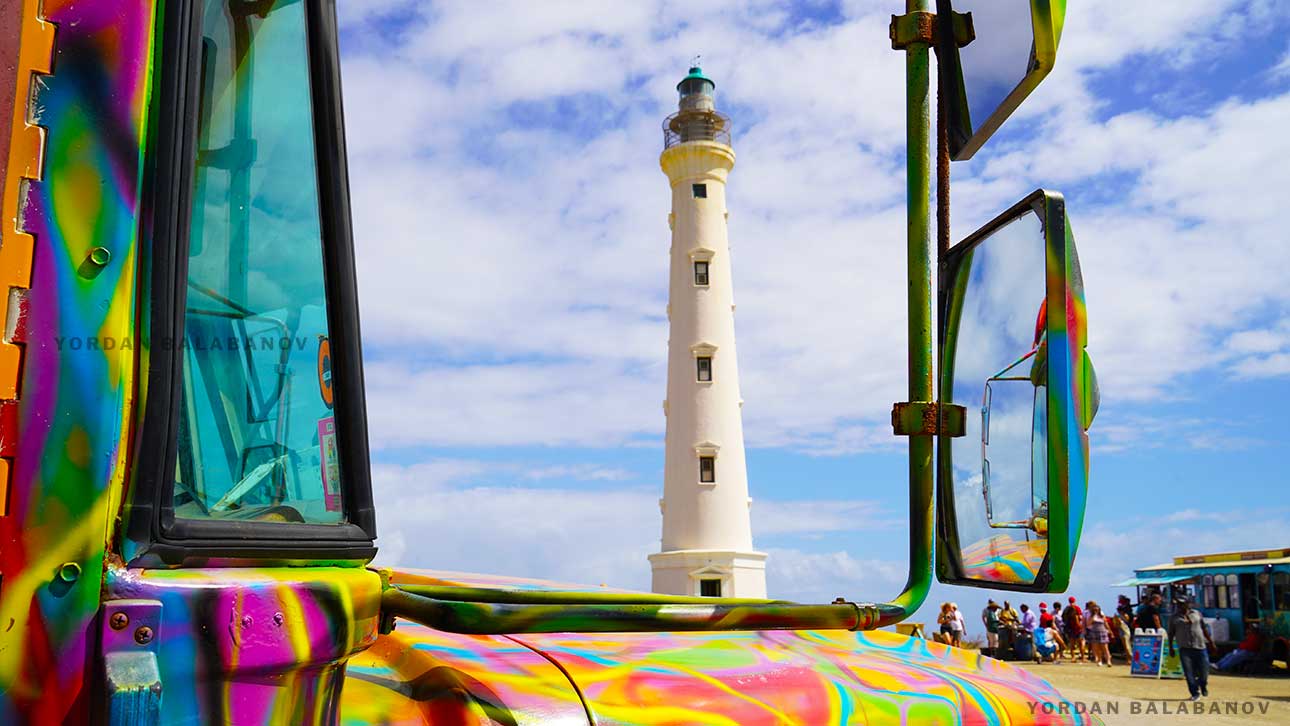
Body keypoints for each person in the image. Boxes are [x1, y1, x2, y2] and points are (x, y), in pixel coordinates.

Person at [1167, 598, 1215, 701]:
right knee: (1189, 673)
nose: (1179, 606)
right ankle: (1194, 693)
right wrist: (1171, 648)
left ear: (1188, 604)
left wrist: (1211, 642)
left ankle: (1203, 685)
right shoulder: (1173, 618)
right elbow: (1171, 633)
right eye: (1178, 604)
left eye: (1182, 604)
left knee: (1204, 672)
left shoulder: (1197, 614)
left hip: (1200, 646)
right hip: (1185, 649)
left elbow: (1203, 628)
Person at [1084, 601, 1112, 667]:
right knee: (1097, 648)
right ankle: (1099, 660)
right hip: (1094, 632)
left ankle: (1108, 660)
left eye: (1097, 609)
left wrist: (1110, 630)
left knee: (1105, 647)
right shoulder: (1091, 616)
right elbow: (1088, 624)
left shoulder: (1102, 616)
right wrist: (1093, 616)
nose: (1096, 610)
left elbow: (1105, 623)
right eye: (1095, 609)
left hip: (1102, 631)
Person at [1063, 596, 1085, 661]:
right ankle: (1083, 657)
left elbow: (1064, 618)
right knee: (1080, 643)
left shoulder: (1067, 608)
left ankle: (1073, 657)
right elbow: (1080, 617)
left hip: (1070, 628)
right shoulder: (1077, 608)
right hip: (1078, 628)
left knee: (1072, 643)